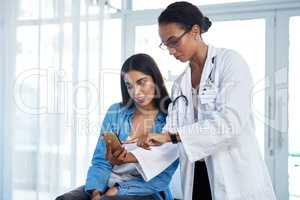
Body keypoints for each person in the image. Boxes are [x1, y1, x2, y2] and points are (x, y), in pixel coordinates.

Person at [135, 2, 276, 200]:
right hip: (196, 178)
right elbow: (172, 135)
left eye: (174, 41)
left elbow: (229, 122)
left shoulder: (230, 63)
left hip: (234, 178)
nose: (170, 51)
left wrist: (171, 136)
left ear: (195, 31)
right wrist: (135, 152)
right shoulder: (180, 84)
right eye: (165, 44)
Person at [55, 53, 179, 200]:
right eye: (129, 86)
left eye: (142, 82)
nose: (136, 92)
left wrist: (118, 190)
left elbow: (162, 177)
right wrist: (96, 191)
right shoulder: (116, 112)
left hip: (146, 190)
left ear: (155, 80)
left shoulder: (171, 118)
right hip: (108, 183)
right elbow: (101, 160)